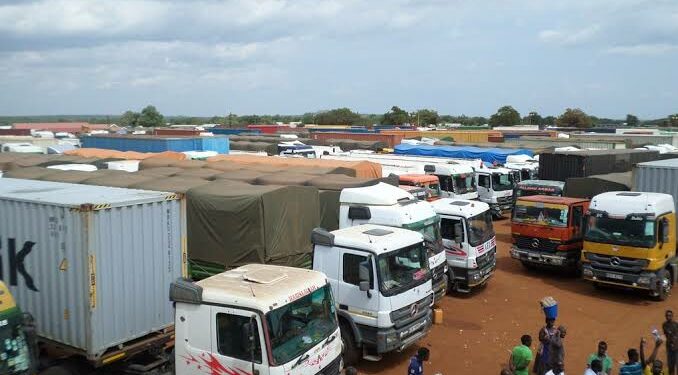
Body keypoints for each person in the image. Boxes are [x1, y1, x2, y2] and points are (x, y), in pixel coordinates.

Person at [663, 310, 678, 375]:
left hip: (677, 347)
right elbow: (668, 333)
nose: (668, 317)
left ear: (672, 316)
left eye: (669, 315)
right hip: (669, 348)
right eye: (667, 315)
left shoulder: (676, 324)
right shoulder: (664, 325)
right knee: (670, 365)